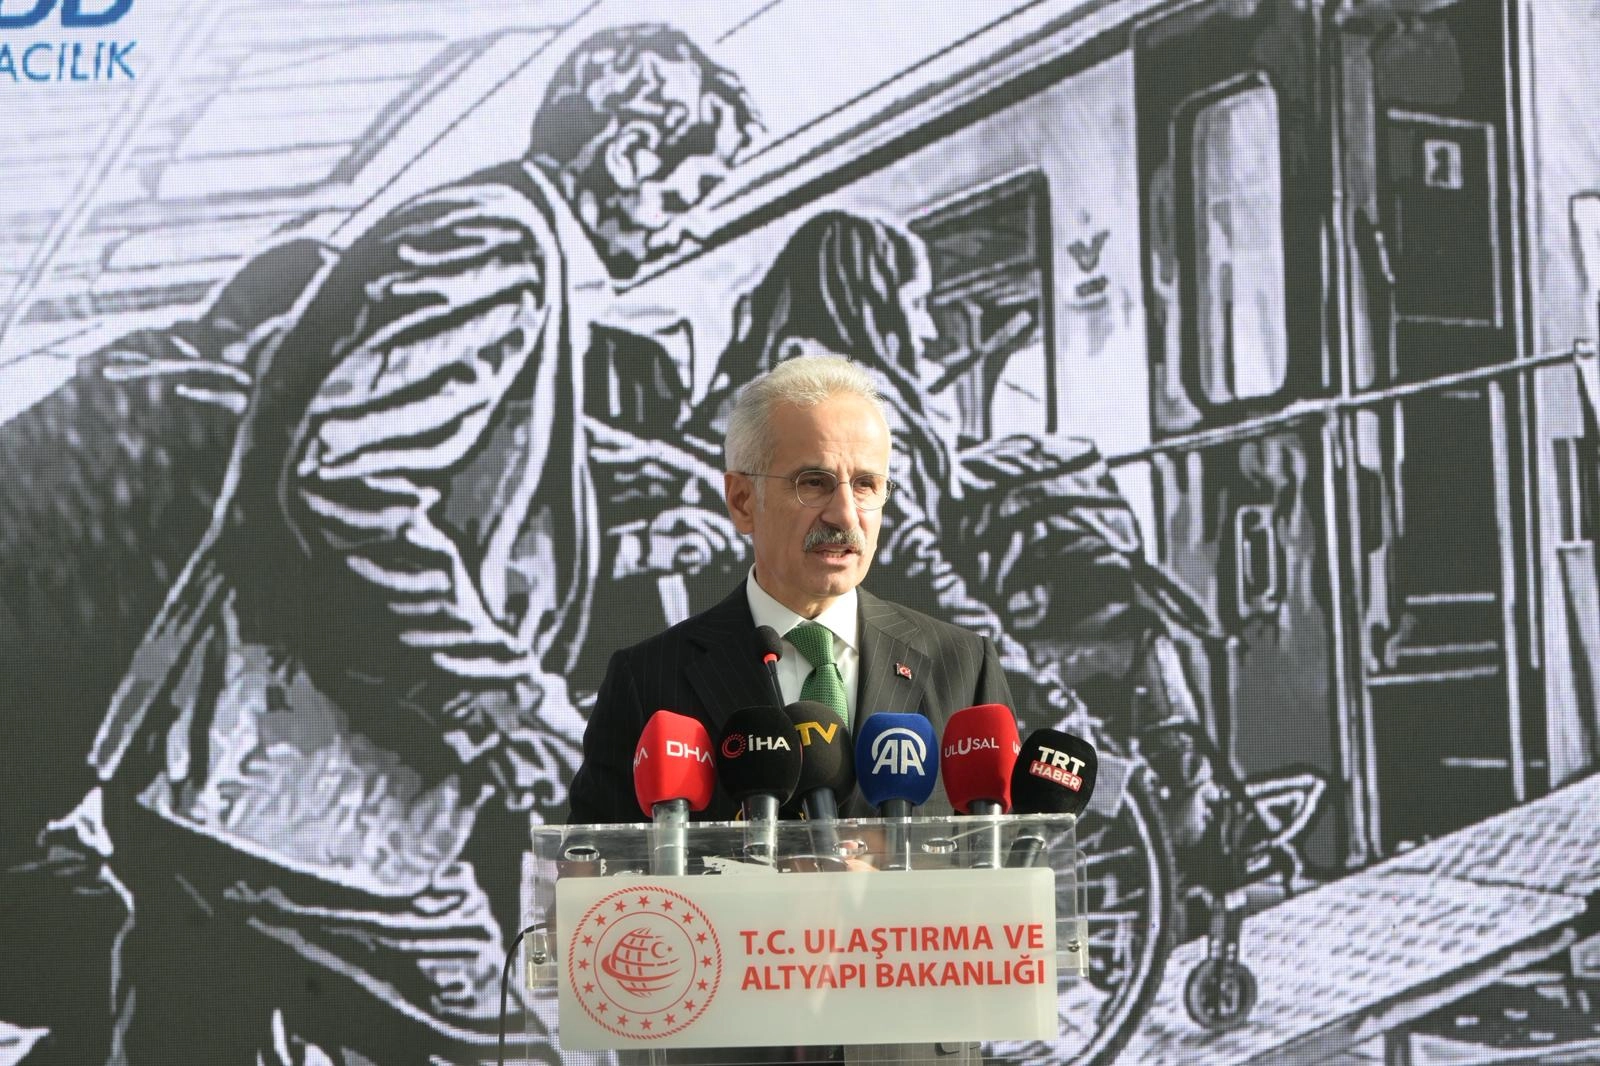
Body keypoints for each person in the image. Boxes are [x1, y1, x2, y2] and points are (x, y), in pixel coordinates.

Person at [75, 22, 759, 1066]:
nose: (693, 220)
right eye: (694, 187)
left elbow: (451, 491)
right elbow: (351, 492)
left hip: (203, 769)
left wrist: (636, 520)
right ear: (627, 154)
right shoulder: (497, 246)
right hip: (308, 798)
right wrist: (507, 704)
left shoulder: (484, 230)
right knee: (510, 1049)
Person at [570, 351, 1014, 822]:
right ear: (742, 501)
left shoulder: (963, 668)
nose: (844, 515)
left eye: (866, 484)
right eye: (814, 483)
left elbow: (1003, 857)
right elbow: (600, 862)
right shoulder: (648, 682)